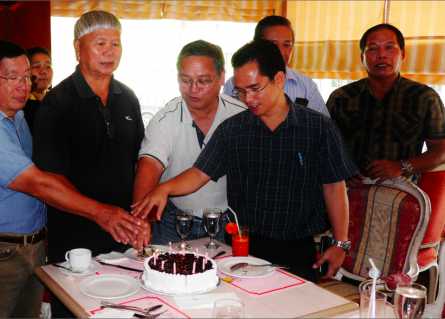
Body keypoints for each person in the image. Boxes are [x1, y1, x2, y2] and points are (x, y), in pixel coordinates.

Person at [133, 39, 359, 284]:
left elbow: (334, 187)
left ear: (279, 80)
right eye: (241, 91)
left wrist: (340, 243)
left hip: (297, 248)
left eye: (255, 88)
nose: (248, 98)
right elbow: (200, 173)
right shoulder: (234, 128)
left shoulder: (318, 128)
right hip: (241, 246)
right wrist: (164, 189)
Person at [0, 40, 148, 318]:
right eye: (12, 78)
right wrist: (102, 213)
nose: (23, 86)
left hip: (30, 248)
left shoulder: (18, 118)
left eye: (26, 77)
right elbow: (37, 183)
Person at [33, 10, 148, 263]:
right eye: (100, 43)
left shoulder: (128, 98)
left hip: (124, 238)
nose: (110, 51)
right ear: (78, 47)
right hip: (76, 241)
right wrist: (101, 214)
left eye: (115, 43)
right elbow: (48, 181)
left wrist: (140, 217)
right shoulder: (58, 103)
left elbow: (141, 161)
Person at [132, 40, 247, 245]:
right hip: (175, 222)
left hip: (227, 224)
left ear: (222, 77)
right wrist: (139, 223)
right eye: (185, 80)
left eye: (203, 81)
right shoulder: (165, 119)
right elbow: (149, 165)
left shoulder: (240, 115)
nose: (193, 89)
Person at [327, 24, 445, 187]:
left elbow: (441, 150)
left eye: (390, 47)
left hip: (403, 194)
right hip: (348, 193)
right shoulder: (340, 98)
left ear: (402, 54)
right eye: (373, 49)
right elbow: (325, 147)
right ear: (362, 58)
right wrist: (340, 171)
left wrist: (401, 166)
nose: (382, 55)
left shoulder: (425, 98)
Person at [223, 16, 329, 116]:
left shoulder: (306, 86)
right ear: (257, 45)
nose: (281, 52)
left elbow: (322, 128)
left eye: (287, 45)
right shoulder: (233, 85)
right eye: (273, 45)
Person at [23, 46, 53, 134]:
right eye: (36, 66)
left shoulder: (58, 98)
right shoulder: (22, 104)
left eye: (48, 67)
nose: (43, 71)